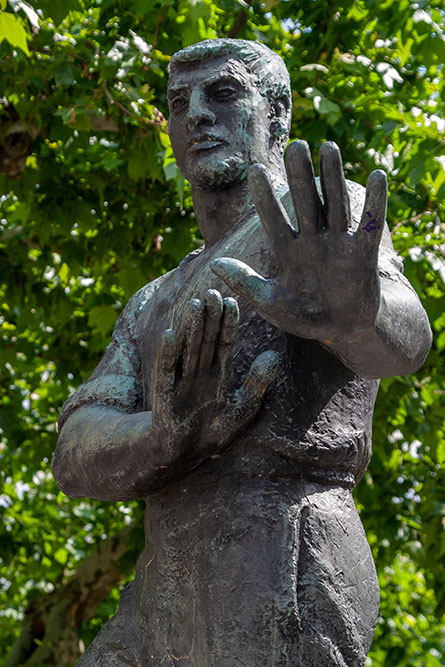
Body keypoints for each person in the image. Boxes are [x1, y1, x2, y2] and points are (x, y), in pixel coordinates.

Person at [52, 39, 432, 666]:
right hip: (162, 580)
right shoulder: (154, 298)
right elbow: (73, 450)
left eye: (223, 93)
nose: (196, 114)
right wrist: (165, 436)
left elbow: (407, 342)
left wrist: (354, 316)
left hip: (282, 550)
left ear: (277, 114)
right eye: (179, 102)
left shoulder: (319, 222)